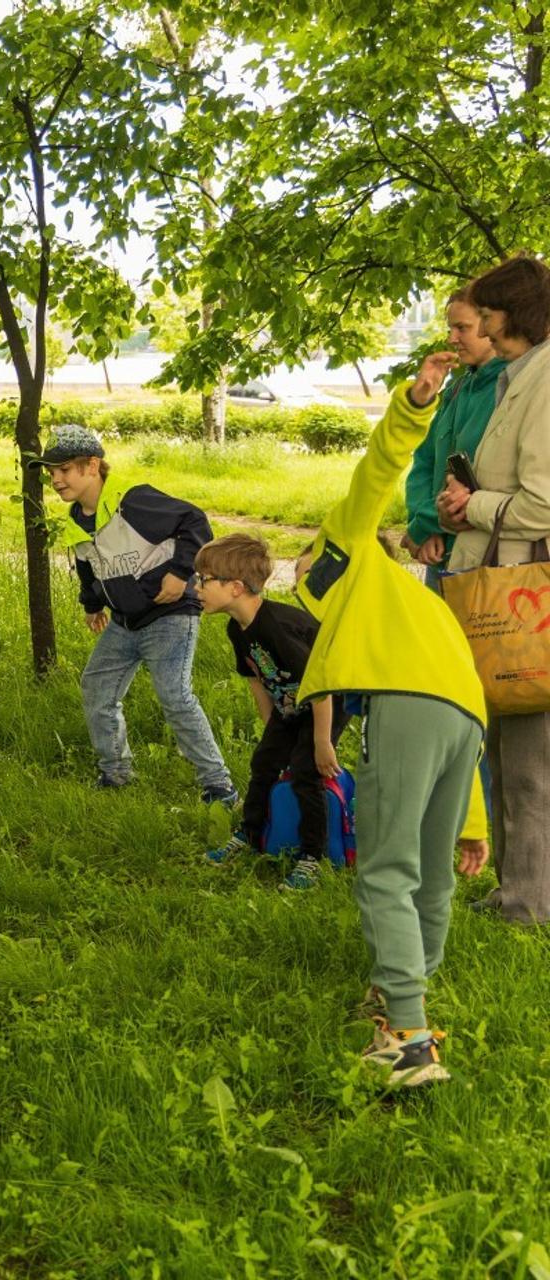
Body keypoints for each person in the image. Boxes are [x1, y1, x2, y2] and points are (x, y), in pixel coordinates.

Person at [295, 348, 489, 1087]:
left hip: (406, 707)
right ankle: (405, 1000)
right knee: (432, 876)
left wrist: (415, 404)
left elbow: (375, 471)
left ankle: (406, 1037)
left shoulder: (348, 549)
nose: (298, 574)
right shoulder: (418, 600)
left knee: (383, 870)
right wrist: (473, 820)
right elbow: (464, 711)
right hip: (461, 715)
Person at [34, 424, 237, 803]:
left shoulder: (133, 501)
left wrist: (180, 572)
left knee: (174, 695)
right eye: (51, 473)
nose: (55, 479)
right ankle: (116, 773)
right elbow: (88, 565)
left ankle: (218, 785)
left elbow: (195, 521)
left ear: (92, 465)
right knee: (96, 687)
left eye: (63, 470)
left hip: (169, 613)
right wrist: (92, 604)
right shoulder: (76, 518)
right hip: (125, 622)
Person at [439, 253, 550, 927]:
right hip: (505, 594)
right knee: (507, 754)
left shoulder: (545, 380)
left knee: (530, 763)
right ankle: (515, 889)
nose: (476, 326)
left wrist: (475, 506)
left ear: (515, 314)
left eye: (485, 313)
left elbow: (542, 504)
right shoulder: (519, 376)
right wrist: (465, 506)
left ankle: (531, 904)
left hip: (525, 600)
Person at [193, 533, 349, 890]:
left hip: (326, 702)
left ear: (235, 587)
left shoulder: (277, 626)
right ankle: (249, 834)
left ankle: (312, 856)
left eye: (204, 580)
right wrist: (272, 728)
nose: (197, 588)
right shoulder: (237, 628)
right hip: (289, 704)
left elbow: (320, 686)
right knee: (264, 762)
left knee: (306, 772)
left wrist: (322, 742)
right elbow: (255, 679)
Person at [402, 289, 504, 589]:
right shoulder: (458, 388)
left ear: (491, 324)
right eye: (450, 328)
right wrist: (423, 524)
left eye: (462, 328)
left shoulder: (510, 388)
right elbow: (425, 459)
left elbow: (484, 481)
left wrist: (425, 525)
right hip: (440, 552)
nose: (452, 338)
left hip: (484, 559)